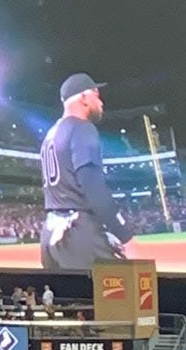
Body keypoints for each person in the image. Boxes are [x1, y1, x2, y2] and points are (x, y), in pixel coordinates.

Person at [38, 73, 129, 272]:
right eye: (97, 95)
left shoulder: (50, 135)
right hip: (78, 233)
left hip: (50, 237)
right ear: (84, 98)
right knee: (123, 296)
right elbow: (93, 186)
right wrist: (125, 236)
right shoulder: (81, 128)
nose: (101, 102)